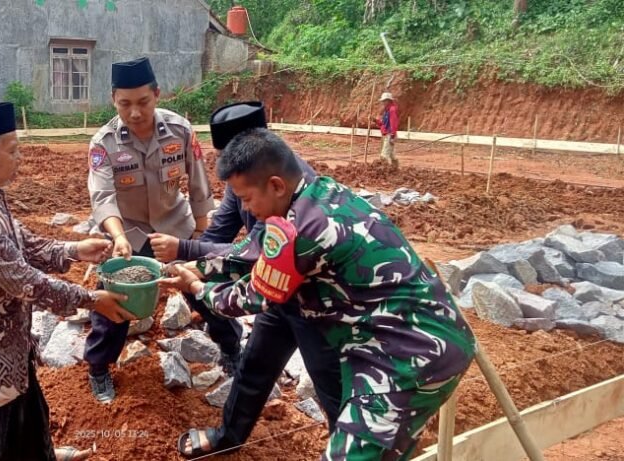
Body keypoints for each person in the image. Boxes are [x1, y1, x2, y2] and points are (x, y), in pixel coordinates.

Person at [160, 127, 476, 460]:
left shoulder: (303, 231)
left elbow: (248, 298)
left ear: (276, 185)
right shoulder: (316, 194)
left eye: (247, 198)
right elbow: (250, 253)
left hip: (408, 356)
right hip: (399, 337)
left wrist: (196, 286)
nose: (245, 208)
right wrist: (199, 266)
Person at [0, 102, 135, 461]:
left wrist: (74, 250)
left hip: (8, 354)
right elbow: (25, 282)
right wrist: (91, 300)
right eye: (13, 150)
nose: (20, 157)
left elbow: (22, 243)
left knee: (31, 441)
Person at [151, 102, 343, 459]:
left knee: (330, 382)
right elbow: (236, 245)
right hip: (278, 291)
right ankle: (229, 436)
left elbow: (248, 281)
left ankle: (348, 448)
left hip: (317, 303)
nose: (228, 171)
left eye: (230, 157)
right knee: (254, 364)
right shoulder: (251, 183)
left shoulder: (301, 206)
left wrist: (195, 278)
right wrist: (194, 263)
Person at [85, 57, 235, 403]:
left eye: (143, 102)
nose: (135, 112)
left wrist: (199, 238)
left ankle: (231, 348)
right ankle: (98, 367)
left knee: (205, 287)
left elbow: (199, 186)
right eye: (125, 104)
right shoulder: (103, 143)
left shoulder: (180, 130)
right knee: (114, 302)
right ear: (113, 100)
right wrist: (118, 237)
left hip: (176, 227)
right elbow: (103, 197)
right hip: (129, 235)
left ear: (157, 94)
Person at [376, 92, 400, 167]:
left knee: (384, 156)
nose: (383, 103)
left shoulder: (392, 110)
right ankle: (395, 168)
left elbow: (393, 123)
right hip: (388, 134)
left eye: (384, 101)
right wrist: (375, 120)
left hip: (390, 134)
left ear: (388, 101)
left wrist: (392, 136)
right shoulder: (387, 111)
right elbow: (383, 124)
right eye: (382, 101)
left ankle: (384, 170)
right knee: (392, 154)